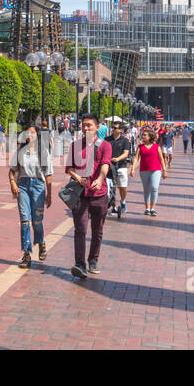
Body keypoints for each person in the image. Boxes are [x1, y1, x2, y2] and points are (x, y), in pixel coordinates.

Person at [66, 114, 113, 279]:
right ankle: (80, 264)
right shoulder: (75, 145)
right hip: (80, 194)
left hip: (99, 194)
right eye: (84, 125)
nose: (86, 128)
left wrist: (100, 179)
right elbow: (69, 168)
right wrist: (77, 178)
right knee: (80, 229)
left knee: (97, 230)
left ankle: (93, 260)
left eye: (90, 126)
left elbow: (105, 164)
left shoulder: (105, 145)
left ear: (97, 127)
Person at [9, 120, 54, 267]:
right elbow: (12, 171)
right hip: (22, 186)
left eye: (32, 132)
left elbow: (48, 175)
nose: (29, 135)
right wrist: (13, 183)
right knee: (24, 220)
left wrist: (49, 194)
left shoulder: (44, 152)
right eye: (27, 132)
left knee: (37, 220)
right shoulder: (20, 151)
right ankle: (26, 254)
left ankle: (41, 242)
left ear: (37, 135)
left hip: (38, 187)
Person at [131, 129, 169, 216]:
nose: (143, 136)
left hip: (156, 170)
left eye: (145, 135)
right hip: (144, 171)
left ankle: (153, 208)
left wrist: (164, 170)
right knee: (146, 190)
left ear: (150, 137)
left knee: (154, 188)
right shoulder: (140, 147)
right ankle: (147, 208)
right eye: (143, 135)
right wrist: (132, 168)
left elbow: (161, 159)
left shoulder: (156, 147)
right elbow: (136, 158)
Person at [105, 119, 132, 216]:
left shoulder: (125, 140)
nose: (113, 129)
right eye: (112, 127)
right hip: (109, 166)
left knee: (123, 186)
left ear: (120, 130)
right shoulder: (107, 139)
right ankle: (113, 206)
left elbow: (126, 154)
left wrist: (117, 159)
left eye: (115, 128)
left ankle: (123, 201)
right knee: (111, 187)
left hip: (121, 166)